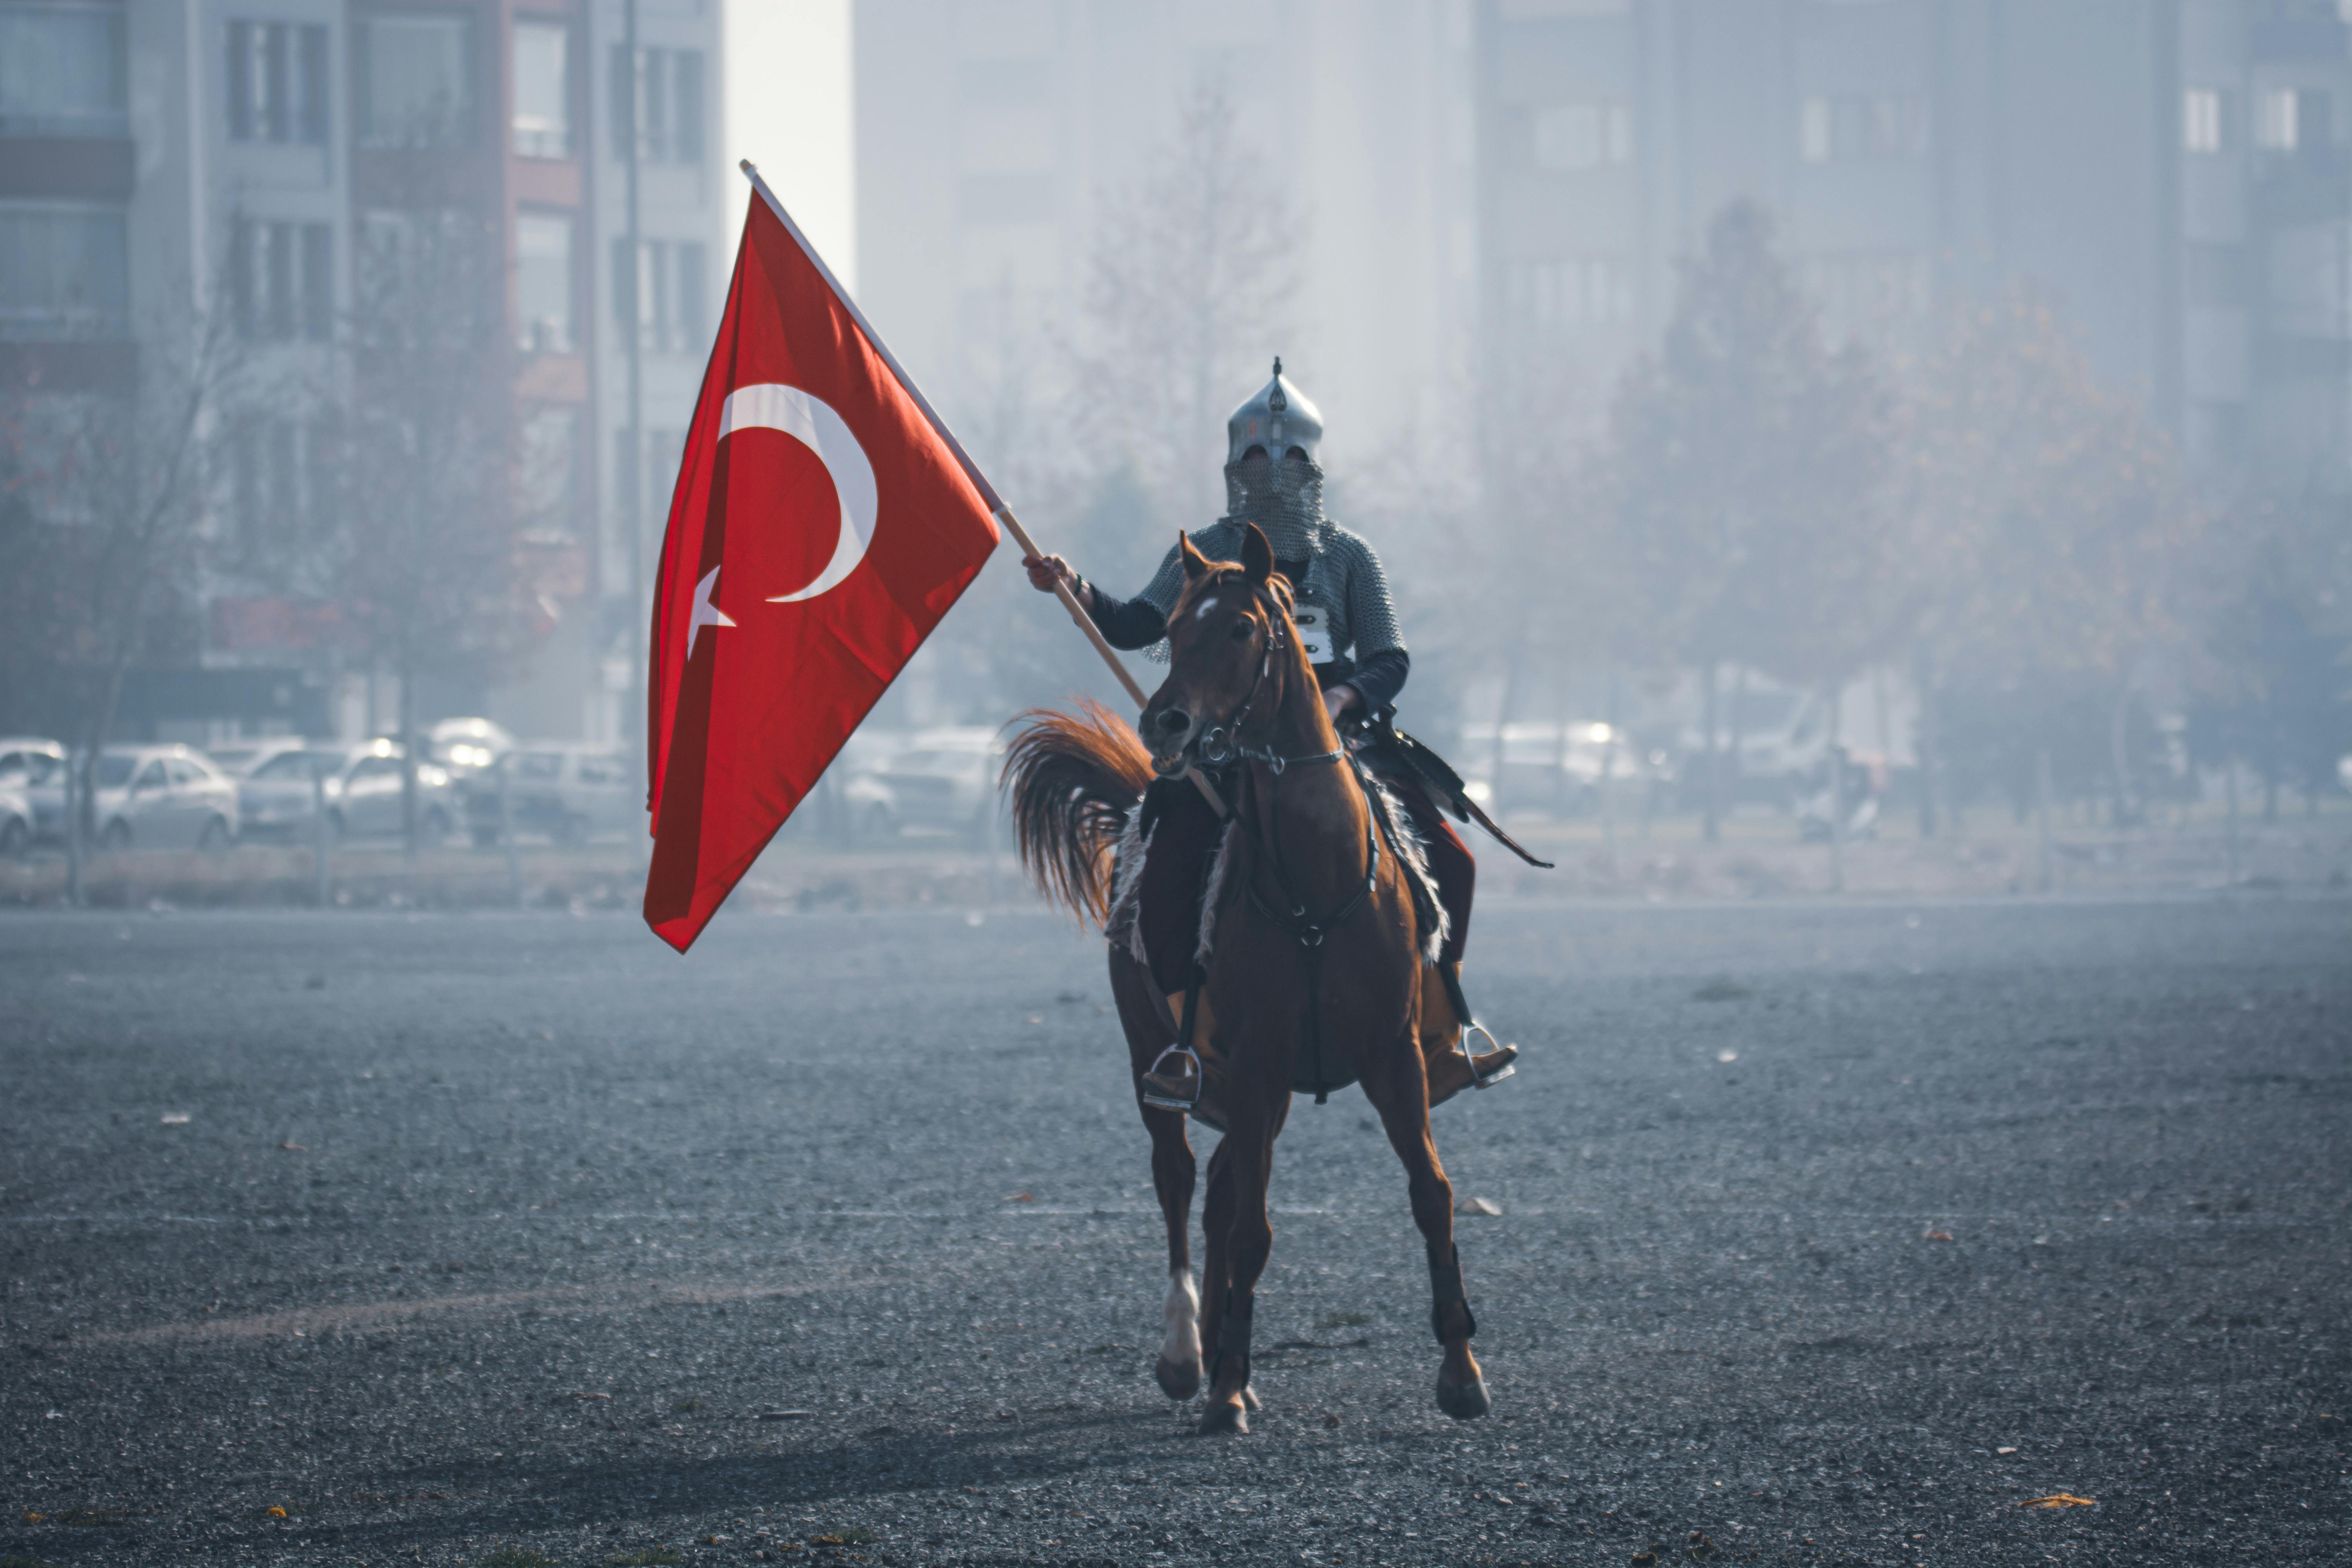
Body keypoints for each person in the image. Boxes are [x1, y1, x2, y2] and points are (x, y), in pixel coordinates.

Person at [1024, 359, 1518, 1108]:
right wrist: (1076, 587)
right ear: (1235, 467)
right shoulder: (1206, 555)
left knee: (1453, 859)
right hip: (1227, 751)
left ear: (1313, 467)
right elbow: (1136, 624)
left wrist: (1348, 694)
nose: (1273, 473)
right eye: (1258, 458)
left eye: (1288, 459)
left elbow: (1391, 657)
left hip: (1341, 747)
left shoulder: (1350, 556)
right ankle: (1192, 1046)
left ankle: (1441, 1035)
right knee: (1165, 875)